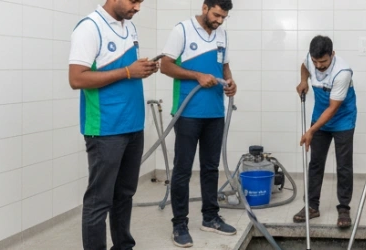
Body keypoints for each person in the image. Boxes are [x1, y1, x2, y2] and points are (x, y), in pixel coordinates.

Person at [66, 0, 156, 249]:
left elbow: (125, 70)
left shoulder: (129, 27)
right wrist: (127, 72)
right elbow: (76, 79)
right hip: (105, 129)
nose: (138, 7)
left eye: (141, 2)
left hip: (133, 125)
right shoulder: (89, 27)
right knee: (99, 200)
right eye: (134, 1)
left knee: (124, 194)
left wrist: (141, 69)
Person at [158, 0, 237, 247]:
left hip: (215, 112)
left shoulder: (222, 34)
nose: (219, 21)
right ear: (205, 8)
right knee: (182, 169)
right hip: (187, 112)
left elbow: (224, 65)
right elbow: (165, 66)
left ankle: (210, 218)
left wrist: (230, 81)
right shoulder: (182, 30)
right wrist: (197, 76)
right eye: (216, 15)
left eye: (223, 17)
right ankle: (179, 224)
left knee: (211, 168)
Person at [293, 35, 358, 228]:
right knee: (315, 163)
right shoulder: (311, 59)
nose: (319, 65)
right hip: (320, 117)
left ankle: (344, 208)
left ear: (333, 54)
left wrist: (311, 130)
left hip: (342, 119)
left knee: (343, 165)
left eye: (323, 61)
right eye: (316, 61)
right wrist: (303, 81)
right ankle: (312, 206)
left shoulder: (342, 72)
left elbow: (333, 108)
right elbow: (304, 66)